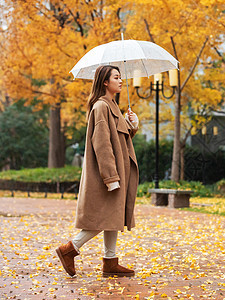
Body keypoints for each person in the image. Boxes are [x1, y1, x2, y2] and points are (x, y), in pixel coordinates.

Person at [56, 65, 139, 278]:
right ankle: (69, 249)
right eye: (116, 77)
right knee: (103, 217)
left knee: (113, 216)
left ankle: (110, 261)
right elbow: (102, 145)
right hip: (107, 175)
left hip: (116, 172)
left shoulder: (112, 106)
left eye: (121, 77)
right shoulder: (101, 107)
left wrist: (132, 126)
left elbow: (120, 140)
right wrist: (111, 177)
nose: (121, 81)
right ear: (105, 81)